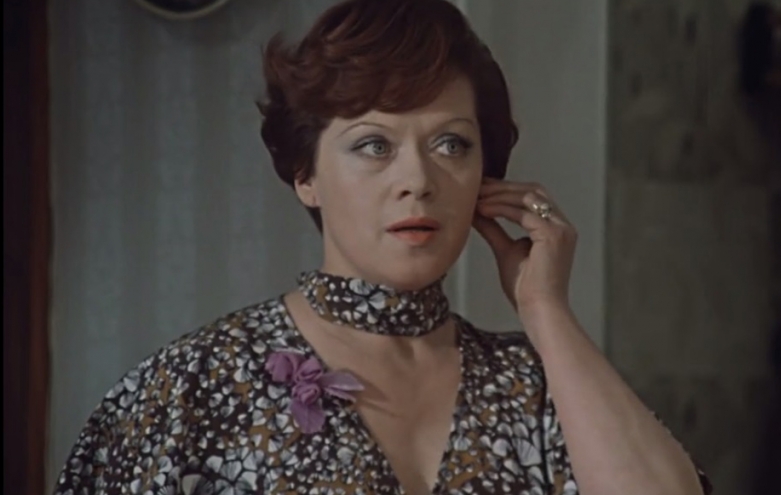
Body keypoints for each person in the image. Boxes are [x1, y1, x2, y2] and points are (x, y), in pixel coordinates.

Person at [53, 0, 713, 493]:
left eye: (451, 144)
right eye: (374, 145)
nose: (418, 180)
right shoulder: (193, 386)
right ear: (306, 175)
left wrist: (546, 310)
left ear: (485, 177)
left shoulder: (534, 385)